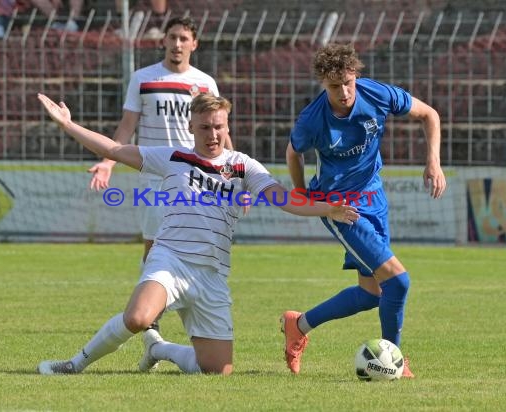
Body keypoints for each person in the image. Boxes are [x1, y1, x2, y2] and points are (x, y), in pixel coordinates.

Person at [35, 92, 360, 375]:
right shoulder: (174, 157)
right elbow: (115, 149)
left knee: (218, 370)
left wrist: (326, 208)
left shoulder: (244, 166)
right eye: (205, 127)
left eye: (218, 126)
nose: (212, 134)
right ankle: (74, 364)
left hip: (212, 275)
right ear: (191, 127)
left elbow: (284, 199)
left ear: (227, 127)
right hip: (170, 260)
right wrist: (67, 125)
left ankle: (158, 350)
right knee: (137, 317)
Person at [280, 43, 447, 377]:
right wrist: (304, 196)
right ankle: (395, 361)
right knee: (398, 282)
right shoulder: (313, 119)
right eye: (333, 86)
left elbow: (430, 115)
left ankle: (298, 324)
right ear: (322, 84)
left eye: (348, 82)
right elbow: (292, 152)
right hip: (342, 209)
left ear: (356, 75)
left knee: (372, 294)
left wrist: (434, 162)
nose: (343, 92)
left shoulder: (377, 94)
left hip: (375, 199)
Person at [88, 16, 229, 275]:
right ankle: (149, 310)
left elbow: (219, 129)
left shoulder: (206, 83)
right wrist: (108, 162)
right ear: (163, 40)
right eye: (172, 37)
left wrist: (235, 171)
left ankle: (189, 296)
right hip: (155, 174)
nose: (177, 43)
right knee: (154, 242)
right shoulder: (143, 79)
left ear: (194, 44)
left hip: (194, 175)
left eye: (183, 38)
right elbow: (127, 125)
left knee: (199, 242)